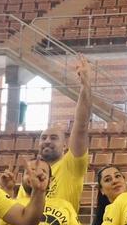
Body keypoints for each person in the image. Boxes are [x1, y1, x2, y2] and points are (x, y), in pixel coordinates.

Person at [19, 56, 94, 212]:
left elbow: (81, 126)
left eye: (54, 138)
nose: (47, 141)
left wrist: (85, 86)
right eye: (43, 138)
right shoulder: (31, 172)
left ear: (65, 145)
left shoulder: (71, 165)